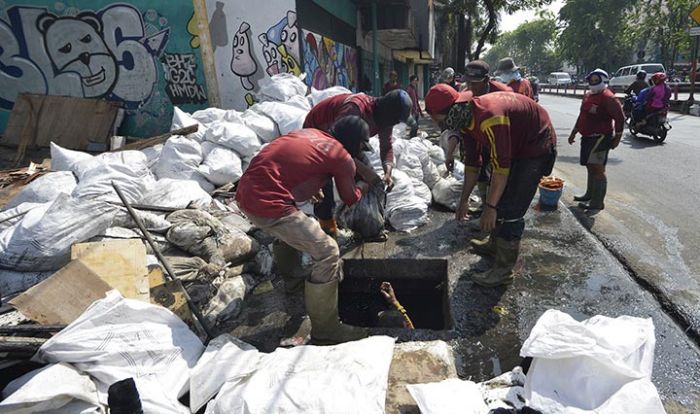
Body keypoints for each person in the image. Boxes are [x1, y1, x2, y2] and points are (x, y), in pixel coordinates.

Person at [236, 116, 371, 344]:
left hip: (245, 194)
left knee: (291, 233)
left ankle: (295, 284)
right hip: (268, 203)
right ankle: (326, 329)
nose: (362, 151)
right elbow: (349, 198)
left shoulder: (309, 133)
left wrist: (311, 188)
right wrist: (363, 185)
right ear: (354, 142)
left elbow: (289, 168)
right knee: (328, 252)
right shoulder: (342, 157)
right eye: (362, 145)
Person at [425, 85, 557, 287]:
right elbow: (472, 164)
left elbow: (501, 168)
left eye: (435, 119)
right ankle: (495, 244)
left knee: (512, 208)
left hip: (536, 144)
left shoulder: (489, 118)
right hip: (518, 144)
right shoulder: (466, 118)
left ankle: (503, 271)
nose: (436, 125)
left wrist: (490, 207)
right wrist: (463, 201)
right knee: (500, 197)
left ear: (447, 114)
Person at [303, 90, 413, 237]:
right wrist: (366, 174)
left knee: (372, 183)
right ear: (388, 113)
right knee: (325, 193)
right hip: (320, 138)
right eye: (395, 120)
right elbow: (334, 146)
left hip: (346, 143)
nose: (395, 124)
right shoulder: (355, 109)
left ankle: (362, 224)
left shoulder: (385, 120)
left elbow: (386, 147)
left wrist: (387, 172)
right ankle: (328, 234)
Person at [450, 60, 513, 211]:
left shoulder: (502, 93)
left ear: (486, 80)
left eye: (475, 83)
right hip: (482, 136)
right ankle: (485, 204)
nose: (471, 87)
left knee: (499, 170)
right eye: (468, 83)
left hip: (504, 137)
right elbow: (459, 125)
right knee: (479, 168)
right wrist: (450, 152)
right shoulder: (466, 94)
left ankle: (494, 207)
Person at [567, 69, 624, 211]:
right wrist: (574, 132)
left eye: (596, 80)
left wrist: (617, 137)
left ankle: (597, 202)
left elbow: (620, 118)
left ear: (603, 80)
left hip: (601, 138)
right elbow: (582, 116)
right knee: (589, 166)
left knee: (598, 168)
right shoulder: (587, 96)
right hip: (586, 137)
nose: (593, 83)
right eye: (591, 80)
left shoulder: (608, 97)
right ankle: (589, 194)